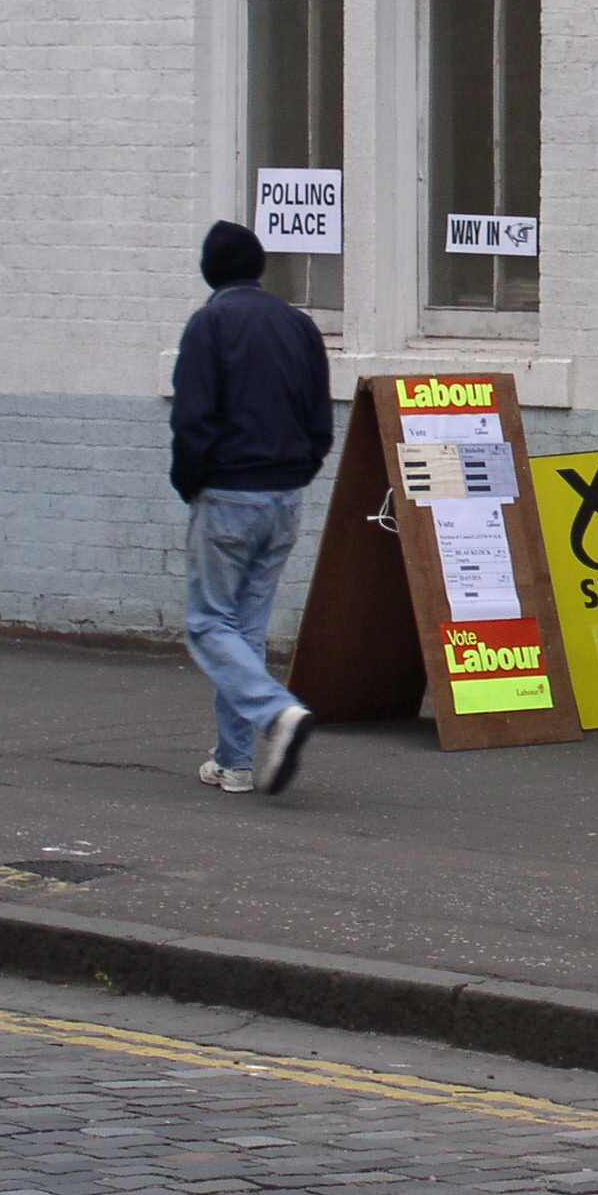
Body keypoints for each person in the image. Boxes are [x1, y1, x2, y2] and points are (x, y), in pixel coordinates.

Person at [170, 220, 334, 796]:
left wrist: (189, 482)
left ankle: (274, 714)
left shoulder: (210, 323)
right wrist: (299, 472)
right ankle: (235, 761)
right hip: (284, 497)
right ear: (259, 267)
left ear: (209, 271)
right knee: (245, 629)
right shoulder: (299, 326)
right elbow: (320, 422)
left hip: (228, 495)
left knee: (208, 622)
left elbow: (192, 418)